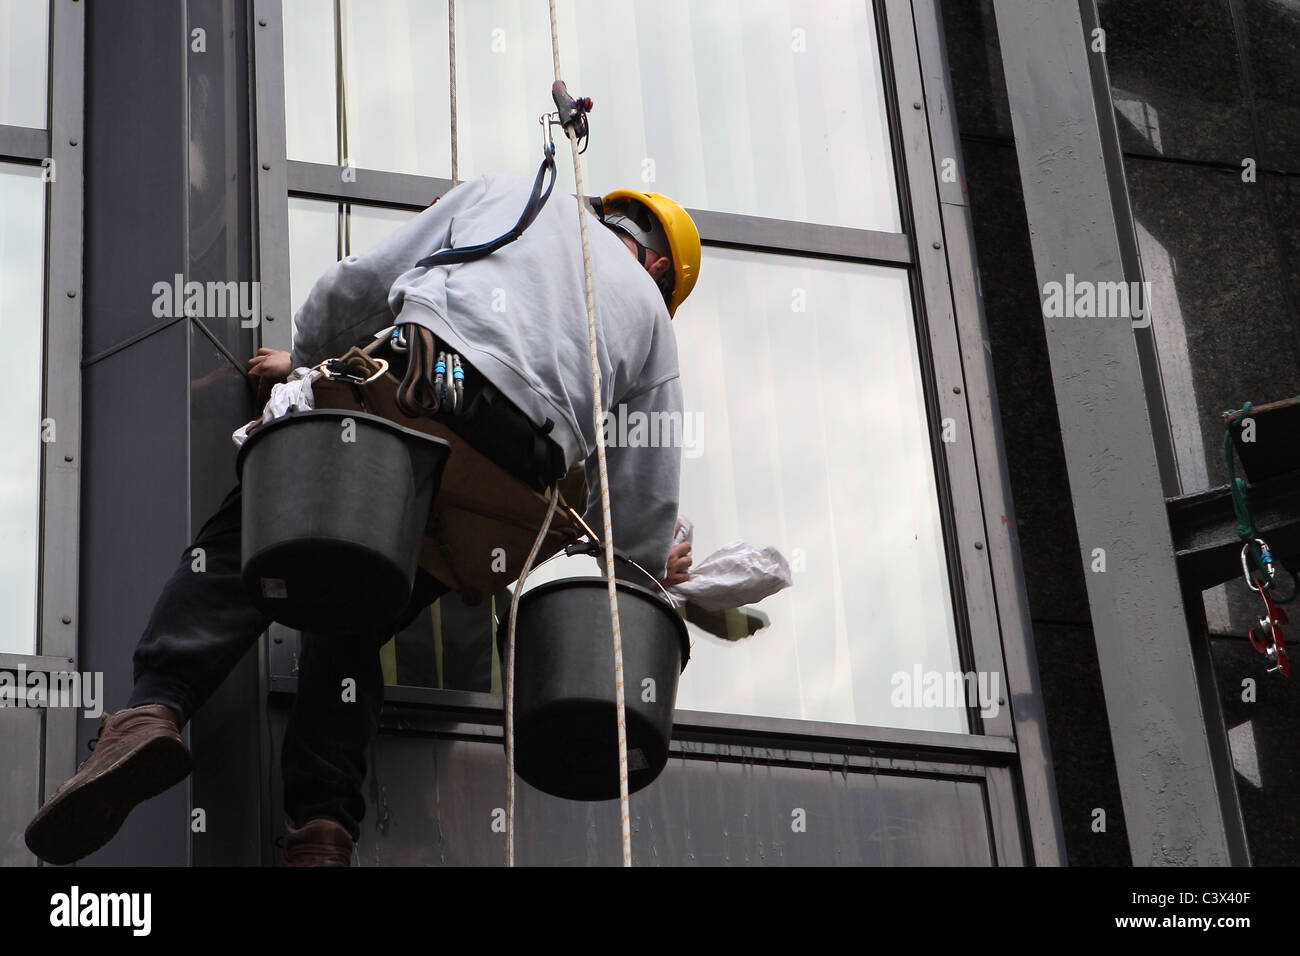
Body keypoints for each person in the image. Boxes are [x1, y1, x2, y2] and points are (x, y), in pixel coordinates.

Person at [24, 172, 700, 867]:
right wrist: (644, 575)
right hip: (508, 481)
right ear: (657, 267)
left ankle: (152, 709)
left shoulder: (517, 195)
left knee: (249, 536)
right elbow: (644, 497)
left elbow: (354, 286)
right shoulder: (650, 322)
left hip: (429, 387)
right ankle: (321, 827)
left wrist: (308, 361)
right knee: (355, 607)